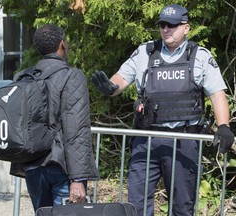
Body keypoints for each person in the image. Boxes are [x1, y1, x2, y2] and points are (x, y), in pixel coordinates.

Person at [91, 4, 235, 216]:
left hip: (183, 140)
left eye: (172, 25)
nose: (166, 29)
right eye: (162, 25)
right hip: (146, 139)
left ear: (186, 28)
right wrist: (111, 88)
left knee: (181, 206)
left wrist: (223, 126)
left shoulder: (200, 56)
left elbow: (217, 94)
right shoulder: (145, 52)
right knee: (136, 206)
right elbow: (121, 79)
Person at [10, 24, 99, 212]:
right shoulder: (71, 76)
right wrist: (77, 179)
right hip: (62, 167)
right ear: (62, 44)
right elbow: (76, 129)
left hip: (32, 165)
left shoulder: (24, 77)